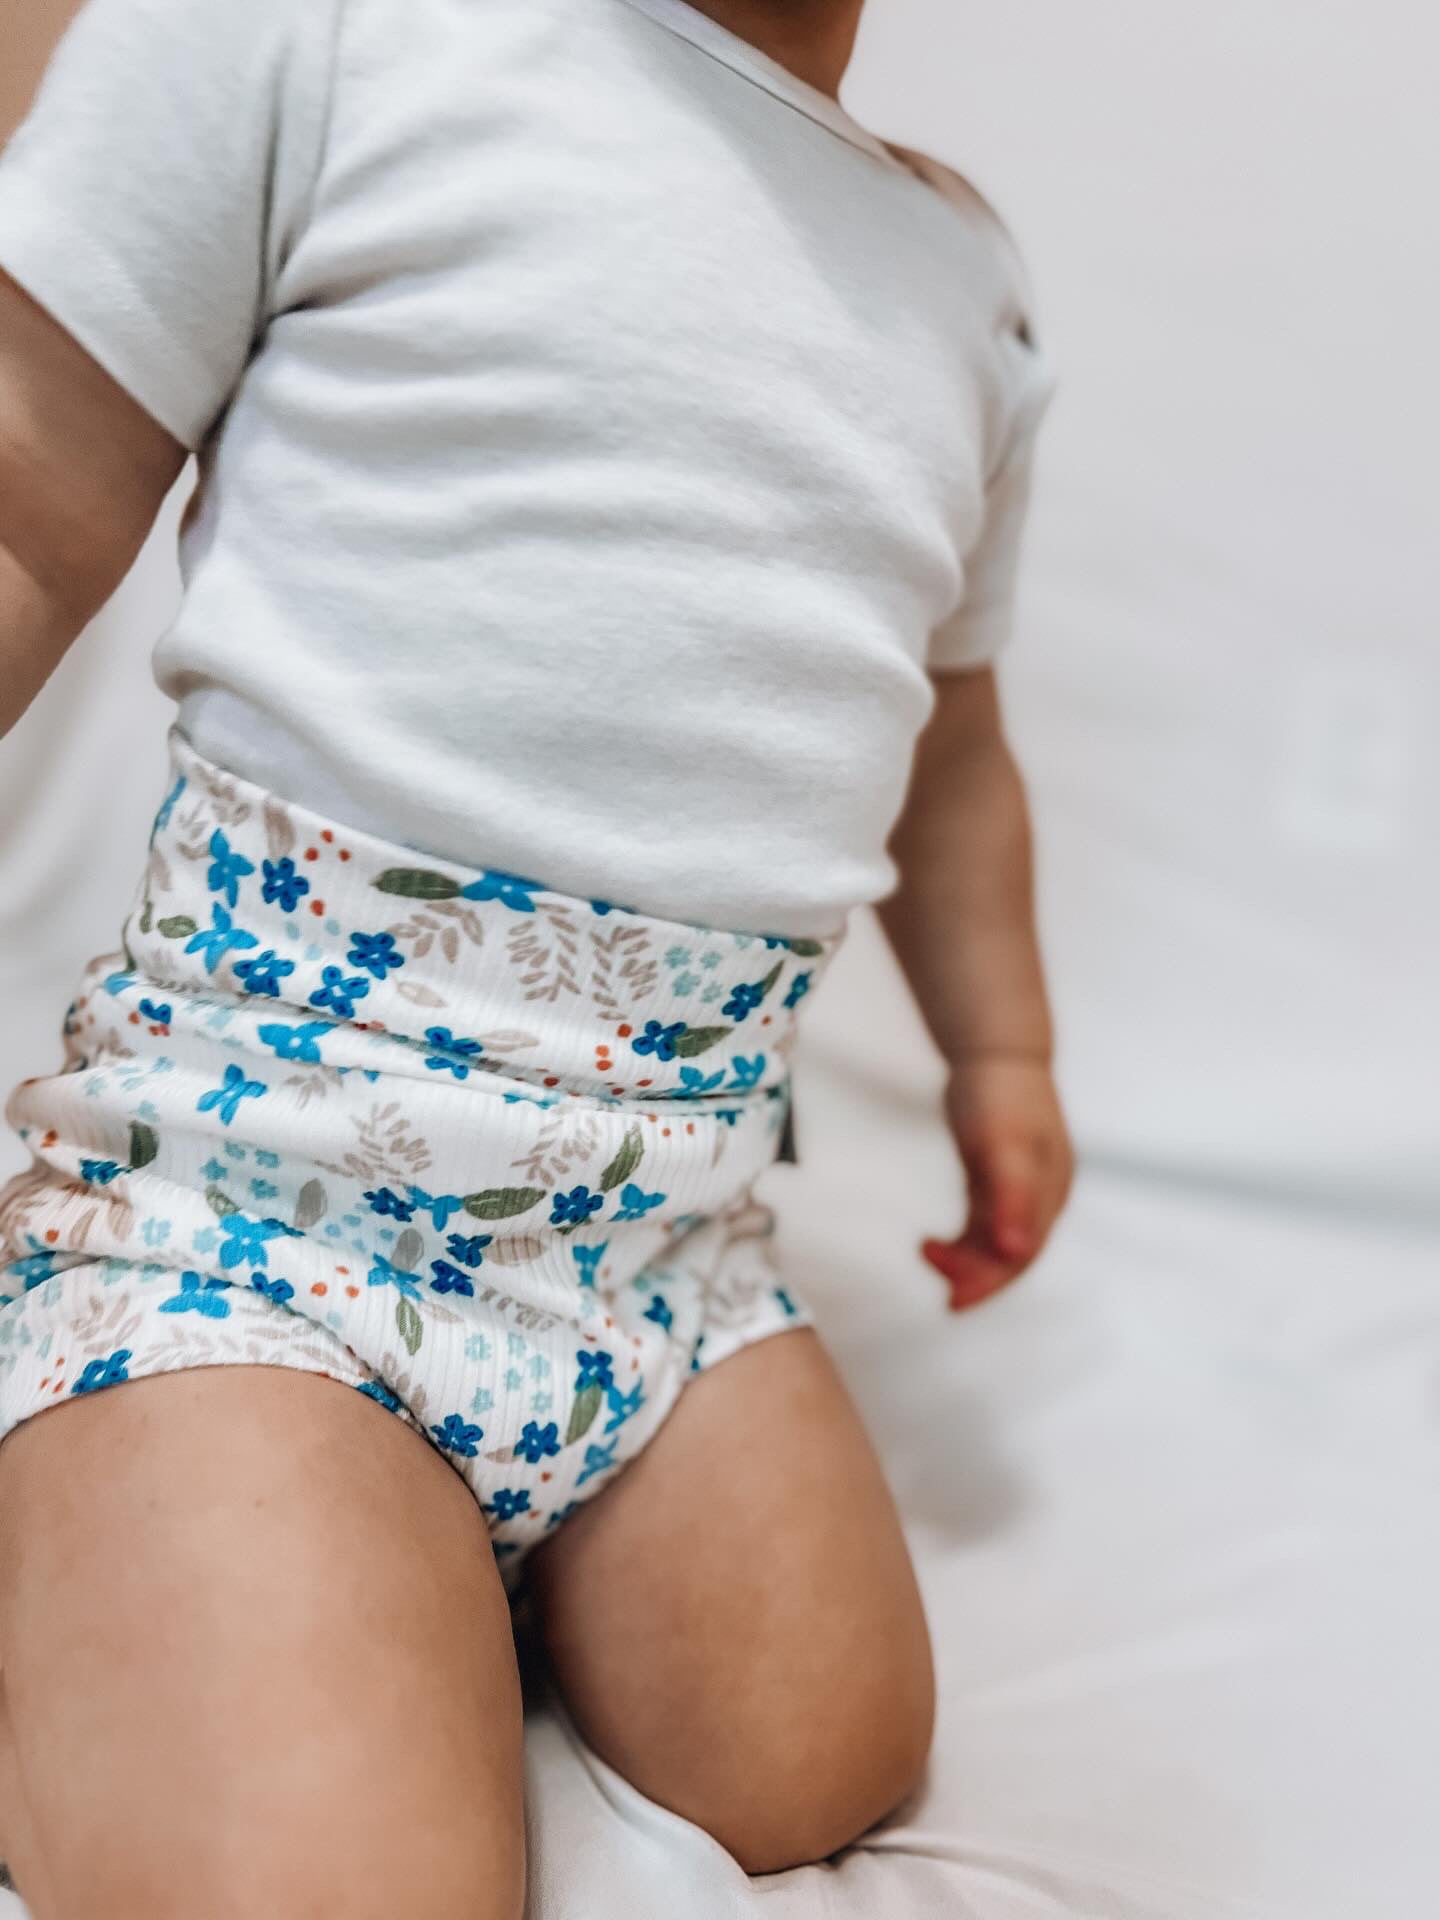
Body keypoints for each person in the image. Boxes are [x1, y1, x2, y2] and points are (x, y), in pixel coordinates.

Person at [0, 0, 1074, 1909]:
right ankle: (129, 1559)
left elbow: (954, 749)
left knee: (817, 1754)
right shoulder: (330, 40)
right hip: (254, 1230)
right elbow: (25, 494)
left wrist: (1004, 1059)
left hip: (662, 1252)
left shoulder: (957, 281)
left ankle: (391, 1559)